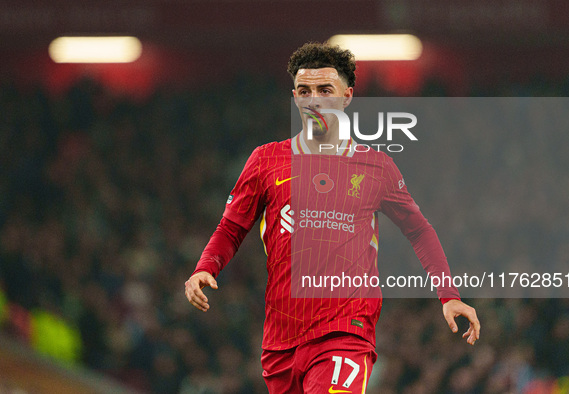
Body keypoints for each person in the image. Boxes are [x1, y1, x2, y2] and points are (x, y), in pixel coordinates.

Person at [185, 42, 480, 393]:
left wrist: (449, 294)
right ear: (295, 97)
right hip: (281, 339)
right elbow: (232, 226)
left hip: (346, 331)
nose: (315, 100)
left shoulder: (376, 166)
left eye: (325, 90)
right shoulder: (265, 161)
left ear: (347, 96)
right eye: (305, 91)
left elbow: (418, 230)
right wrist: (206, 266)